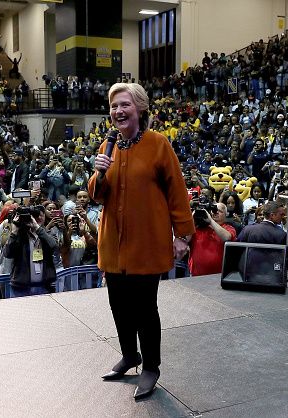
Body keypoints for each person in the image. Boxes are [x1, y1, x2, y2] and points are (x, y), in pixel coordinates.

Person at [88, 83, 195, 400]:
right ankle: (129, 355)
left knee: (145, 309)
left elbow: (177, 192)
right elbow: (97, 195)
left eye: (124, 105)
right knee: (118, 304)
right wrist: (99, 173)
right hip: (113, 244)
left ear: (140, 109)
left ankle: (150, 366)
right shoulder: (107, 148)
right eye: (114, 106)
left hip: (146, 244)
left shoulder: (158, 144)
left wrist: (183, 235)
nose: (118, 111)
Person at [3, 206, 58, 297]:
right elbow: (7, 253)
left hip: (45, 287)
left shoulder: (46, 233)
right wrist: (14, 231)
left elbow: (54, 247)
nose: (38, 218)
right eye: (34, 216)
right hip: (21, 288)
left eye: (40, 215)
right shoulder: (18, 236)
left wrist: (37, 228)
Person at [188, 202, 236, 276]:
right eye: (213, 210)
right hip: (196, 275)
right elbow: (186, 239)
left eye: (220, 211)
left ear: (226, 214)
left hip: (218, 275)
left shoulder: (228, 228)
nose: (216, 212)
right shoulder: (197, 228)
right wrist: (192, 218)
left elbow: (227, 237)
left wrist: (210, 221)